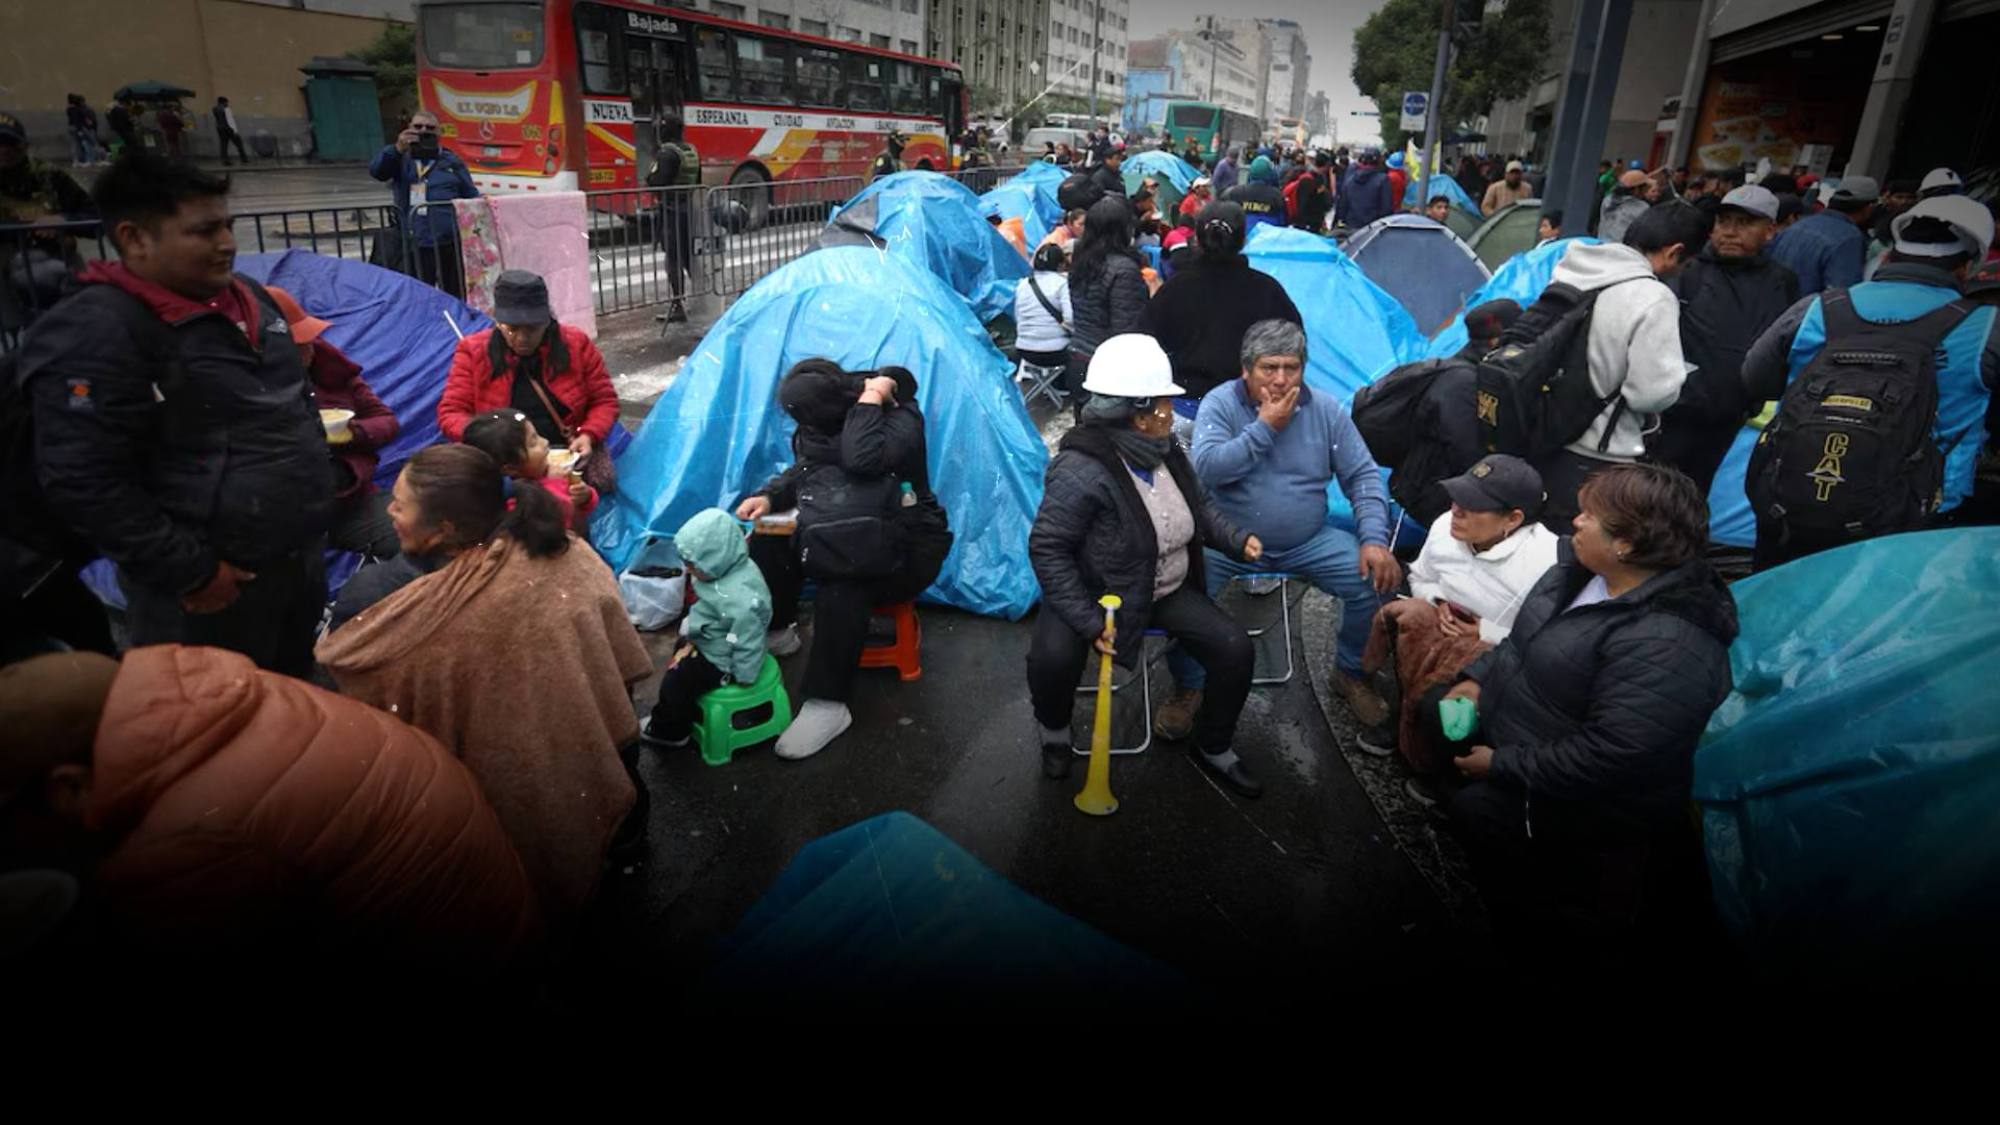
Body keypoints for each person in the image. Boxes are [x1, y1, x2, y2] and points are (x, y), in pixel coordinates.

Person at [0, 646, 540, 970]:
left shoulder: (178, 846)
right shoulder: (215, 690)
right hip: (482, 889)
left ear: (67, 786)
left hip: (465, 956)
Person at [18, 152, 332, 677]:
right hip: (204, 592)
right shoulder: (96, 332)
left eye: (228, 225)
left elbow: (289, 407)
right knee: (212, 729)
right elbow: (82, 478)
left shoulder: (252, 298)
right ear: (135, 238)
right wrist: (191, 571)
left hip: (295, 561)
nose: (228, 243)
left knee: (292, 705)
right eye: (205, 231)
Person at [316, 444, 653, 914]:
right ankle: (624, 855)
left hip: (499, 813)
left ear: (445, 529)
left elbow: (354, 707)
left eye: (399, 503)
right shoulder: (563, 549)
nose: (388, 511)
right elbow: (612, 663)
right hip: (600, 753)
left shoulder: (380, 603)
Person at [1443, 463, 1737, 960]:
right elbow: (1521, 643)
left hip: (1584, 804)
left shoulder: (1669, 644)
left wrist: (1500, 765)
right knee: (1439, 714)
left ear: (1627, 543)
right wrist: (1475, 681)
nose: (1573, 523)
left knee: (1481, 819)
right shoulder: (1580, 571)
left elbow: (1613, 755)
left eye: (1589, 517)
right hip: (1520, 736)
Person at [1027, 334, 1265, 794]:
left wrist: (1239, 540)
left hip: (1158, 589)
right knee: (1052, 658)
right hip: (1093, 593)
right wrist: (1088, 619)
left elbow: (1200, 510)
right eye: (1164, 402)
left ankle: (1214, 745)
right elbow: (1048, 548)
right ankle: (1054, 734)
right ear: (1138, 412)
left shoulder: (1166, 451)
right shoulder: (1081, 468)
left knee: (1234, 648)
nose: (1171, 411)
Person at [1164, 318, 1402, 738]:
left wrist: (1374, 540)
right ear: (1246, 369)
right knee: (1183, 588)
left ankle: (1350, 672)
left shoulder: (1325, 410)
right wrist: (1265, 429)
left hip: (1306, 540)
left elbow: (1362, 475)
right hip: (1227, 540)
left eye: (1291, 368)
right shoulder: (1221, 404)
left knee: (1373, 577)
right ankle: (1190, 686)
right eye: (1268, 368)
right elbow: (1208, 470)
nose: (1279, 380)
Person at [1741, 195, 1998, 569]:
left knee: (1776, 605)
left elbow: (1754, 379)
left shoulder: (1819, 308)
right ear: (1966, 267)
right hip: (1917, 518)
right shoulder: (1987, 329)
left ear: (1890, 255)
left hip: (1793, 497)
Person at [733, 361, 954, 761]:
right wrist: (770, 496)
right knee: (769, 539)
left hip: (909, 548)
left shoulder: (898, 419)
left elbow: (860, 458)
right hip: (847, 533)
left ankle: (827, 704)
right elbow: (805, 469)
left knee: (843, 571)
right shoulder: (824, 427)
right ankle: (779, 630)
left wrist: (873, 396)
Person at [1358, 455, 1560, 790]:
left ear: (1513, 518)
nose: (1456, 510)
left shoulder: (1546, 563)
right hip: (1439, 627)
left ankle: (1443, 765)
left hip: (1499, 654)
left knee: (1447, 710)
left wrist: (1485, 632)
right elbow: (1420, 576)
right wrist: (1435, 602)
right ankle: (1403, 720)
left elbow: (1546, 642)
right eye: (1458, 497)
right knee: (1409, 619)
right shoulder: (1444, 526)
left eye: (1474, 505)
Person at [1529, 201, 1701, 530]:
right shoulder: (1653, 297)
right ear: (1675, 251)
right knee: (1577, 556)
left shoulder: (1572, 270)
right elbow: (1650, 394)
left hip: (1543, 434)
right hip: (1599, 454)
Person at [1651, 185, 1798, 494]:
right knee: (1652, 492)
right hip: (1674, 414)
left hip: (1730, 416)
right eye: (1724, 222)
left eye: (1744, 223)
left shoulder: (1781, 281)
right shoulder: (1687, 271)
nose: (1730, 232)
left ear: (1770, 231)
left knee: (1693, 494)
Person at [438, 270, 619, 483]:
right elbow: (451, 412)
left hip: (566, 456)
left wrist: (588, 435)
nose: (523, 338)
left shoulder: (576, 343)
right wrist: (492, 440)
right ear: (498, 322)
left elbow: (604, 400)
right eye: (512, 329)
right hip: (507, 465)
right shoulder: (472, 351)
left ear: (546, 321)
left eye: (532, 329)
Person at [264, 285, 402, 560]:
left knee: (417, 536)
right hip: (283, 512)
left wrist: (351, 433)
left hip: (350, 499)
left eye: (311, 339)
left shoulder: (332, 369)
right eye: (298, 345)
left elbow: (386, 421)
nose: (309, 350)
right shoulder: (249, 388)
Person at [640, 508, 775, 749]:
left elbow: (746, 638)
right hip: (717, 634)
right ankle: (682, 706)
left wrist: (743, 673)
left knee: (677, 681)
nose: (689, 571)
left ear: (715, 558)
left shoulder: (743, 601)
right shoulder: (727, 568)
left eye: (694, 565)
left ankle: (669, 730)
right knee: (680, 653)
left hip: (724, 655)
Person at [1142, 202, 1301, 402]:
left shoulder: (1174, 290)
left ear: (1197, 239)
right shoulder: (1268, 291)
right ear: (1243, 240)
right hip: (1247, 404)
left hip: (1184, 404)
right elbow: (1293, 345)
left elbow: (1145, 342)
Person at [368, 109, 480, 298]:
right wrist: (396, 148)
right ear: (409, 129)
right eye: (418, 127)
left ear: (439, 133)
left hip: (448, 241)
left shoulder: (451, 160)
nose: (424, 131)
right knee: (418, 293)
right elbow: (377, 172)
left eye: (430, 128)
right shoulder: (401, 158)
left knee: (453, 293)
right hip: (415, 241)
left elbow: (470, 195)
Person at [1065, 195, 1150, 406]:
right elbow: (1127, 331)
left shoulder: (1081, 261)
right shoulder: (1123, 269)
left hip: (1079, 357)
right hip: (1108, 372)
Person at [461, 408, 597, 532]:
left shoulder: (544, 472)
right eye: (533, 443)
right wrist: (555, 483)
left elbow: (584, 507)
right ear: (510, 469)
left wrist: (585, 496)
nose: (545, 442)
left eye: (537, 435)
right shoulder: (512, 503)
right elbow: (559, 518)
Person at [1766, 174, 1877, 296]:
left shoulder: (1798, 226)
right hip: (1807, 312)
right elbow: (1839, 296)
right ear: (1869, 208)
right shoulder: (1849, 238)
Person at [645, 110, 700, 324]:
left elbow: (655, 181)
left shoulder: (667, 153)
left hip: (672, 212)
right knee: (690, 258)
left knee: (674, 259)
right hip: (690, 210)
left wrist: (651, 171)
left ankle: (678, 305)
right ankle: (706, 300)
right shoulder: (691, 151)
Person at [1014, 242, 1073, 374]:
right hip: (1056, 351)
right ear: (1061, 264)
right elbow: (1070, 318)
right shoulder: (1062, 283)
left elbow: (1018, 317)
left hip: (1024, 349)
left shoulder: (1022, 284)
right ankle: (1067, 387)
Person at [1224, 155, 1287, 236]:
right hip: (1267, 240)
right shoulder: (1277, 196)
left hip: (1241, 242)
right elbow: (1282, 223)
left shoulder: (1235, 193)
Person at [1335, 147, 1393, 231]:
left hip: (1351, 228)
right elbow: (1386, 208)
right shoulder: (1383, 180)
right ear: (1379, 161)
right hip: (1372, 229)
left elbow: (1342, 206)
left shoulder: (1350, 179)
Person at [1597, 169, 1653, 244]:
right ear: (1636, 189)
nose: (1646, 190)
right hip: (1622, 251)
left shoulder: (1607, 200)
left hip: (1601, 245)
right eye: (1644, 188)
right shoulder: (1642, 207)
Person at [1290, 151, 1333, 232]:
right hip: (1307, 225)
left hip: (1314, 223)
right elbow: (1302, 204)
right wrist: (1304, 224)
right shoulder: (1308, 180)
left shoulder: (1319, 178)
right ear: (1326, 165)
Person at [64, 94, 103, 166]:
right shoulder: (77, 109)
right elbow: (78, 120)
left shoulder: (69, 109)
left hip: (71, 127)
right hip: (79, 127)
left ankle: (76, 161)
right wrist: (80, 130)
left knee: (75, 144)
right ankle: (99, 159)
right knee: (92, 141)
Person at [211, 96, 249, 165]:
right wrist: (235, 131)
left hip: (220, 128)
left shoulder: (214, 109)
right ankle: (244, 159)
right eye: (226, 102)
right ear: (224, 102)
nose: (227, 104)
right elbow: (230, 121)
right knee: (239, 143)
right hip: (228, 128)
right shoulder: (226, 109)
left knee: (223, 145)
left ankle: (225, 161)